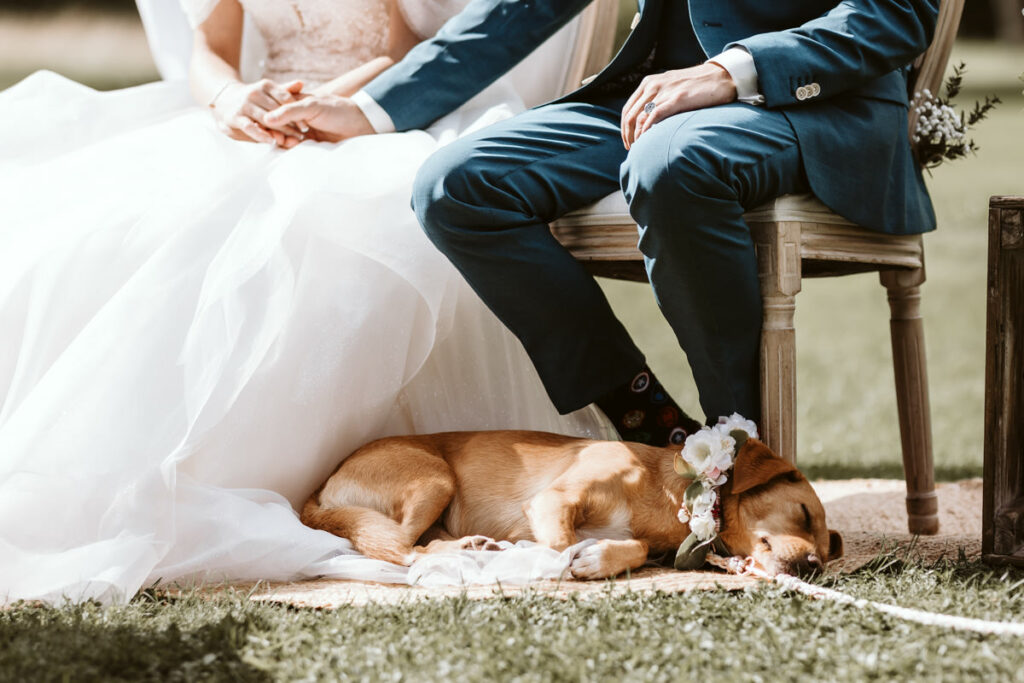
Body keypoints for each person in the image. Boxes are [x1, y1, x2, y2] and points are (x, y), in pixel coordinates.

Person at [0, 0, 613, 605]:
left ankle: (334, 478)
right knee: (130, 230)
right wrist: (231, 99)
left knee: (330, 224)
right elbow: (208, 53)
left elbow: (403, 49)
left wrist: (320, 110)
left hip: (379, 105)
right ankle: (144, 472)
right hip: (260, 118)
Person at [269, 0, 940, 448]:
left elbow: (895, 14)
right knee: (456, 186)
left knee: (672, 162)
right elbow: (523, 6)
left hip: (809, 108)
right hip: (650, 99)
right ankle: (653, 426)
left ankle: (740, 446)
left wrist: (729, 72)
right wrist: (374, 109)